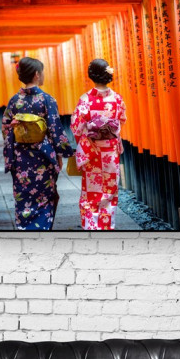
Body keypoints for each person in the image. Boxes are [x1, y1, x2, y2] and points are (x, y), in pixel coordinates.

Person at [2, 57, 74, 230]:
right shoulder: (47, 100)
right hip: (43, 157)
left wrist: (14, 140)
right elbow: (55, 129)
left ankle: (24, 228)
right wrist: (63, 152)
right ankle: (41, 229)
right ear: (36, 74)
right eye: (42, 72)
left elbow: (5, 127)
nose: (43, 75)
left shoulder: (14, 101)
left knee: (23, 195)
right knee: (44, 196)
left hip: (20, 158)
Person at [71, 58, 127, 230]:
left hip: (92, 152)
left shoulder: (85, 99)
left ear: (91, 76)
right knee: (109, 190)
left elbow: (76, 127)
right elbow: (122, 120)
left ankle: (91, 226)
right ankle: (107, 225)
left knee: (91, 191)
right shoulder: (117, 99)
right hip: (110, 152)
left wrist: (85, 138)